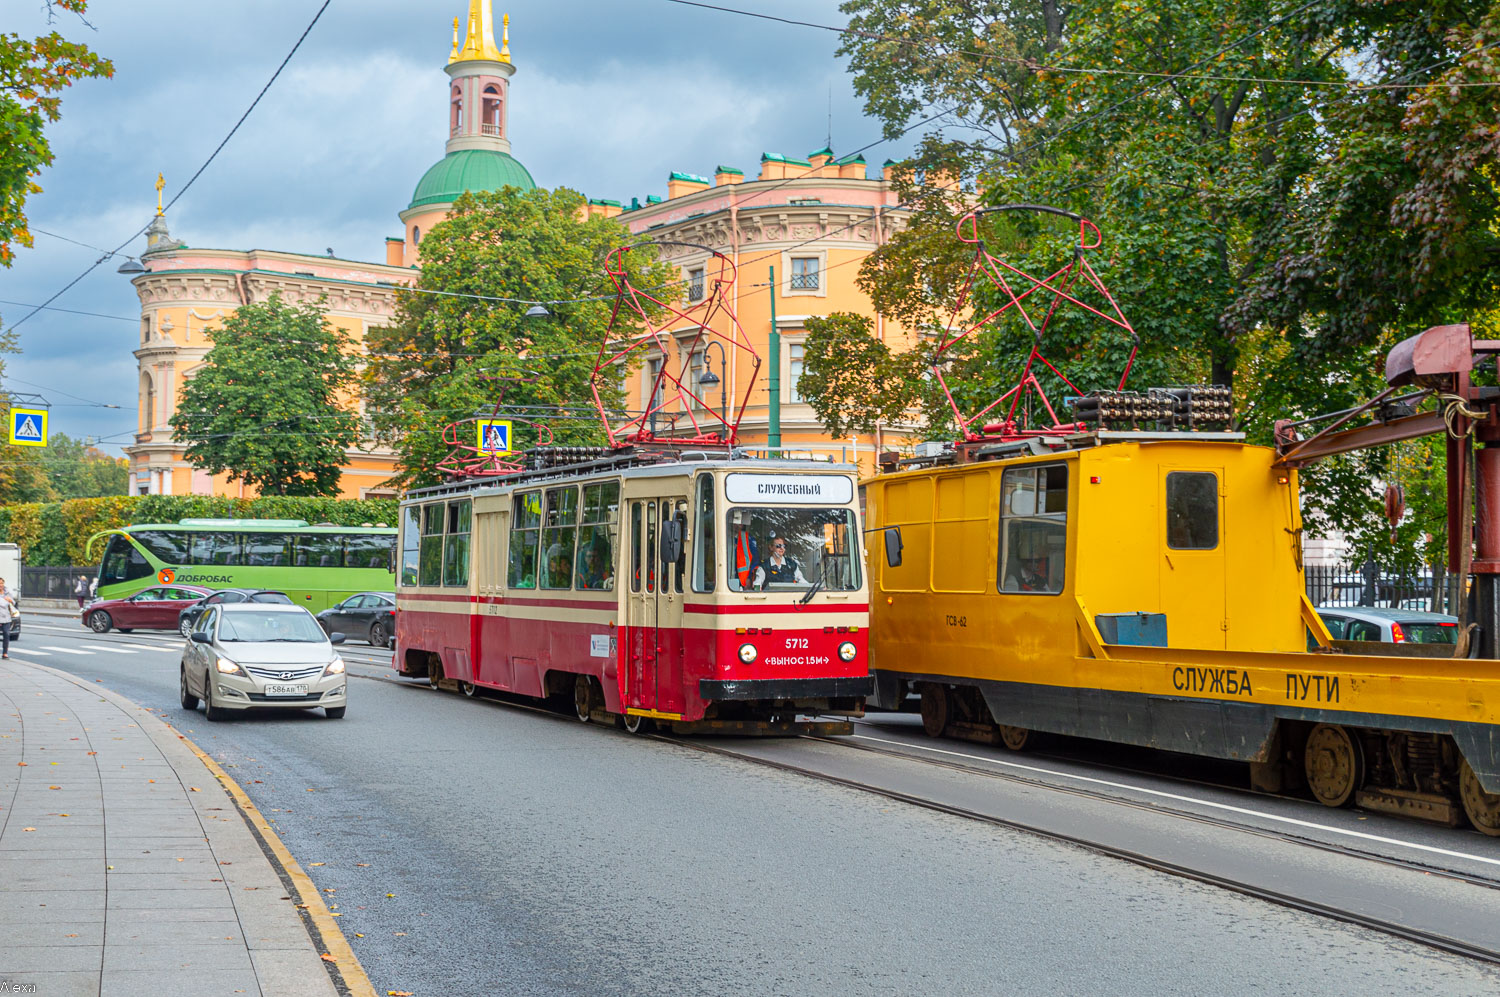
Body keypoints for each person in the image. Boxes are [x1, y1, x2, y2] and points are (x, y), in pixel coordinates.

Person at [0, 579, 14, 659]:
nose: (0, 585)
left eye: (2, 583)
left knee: (6, 634)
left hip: (6, 618)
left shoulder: (7, 593)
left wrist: (10, 600)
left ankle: (5, 653)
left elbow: (14, 603)